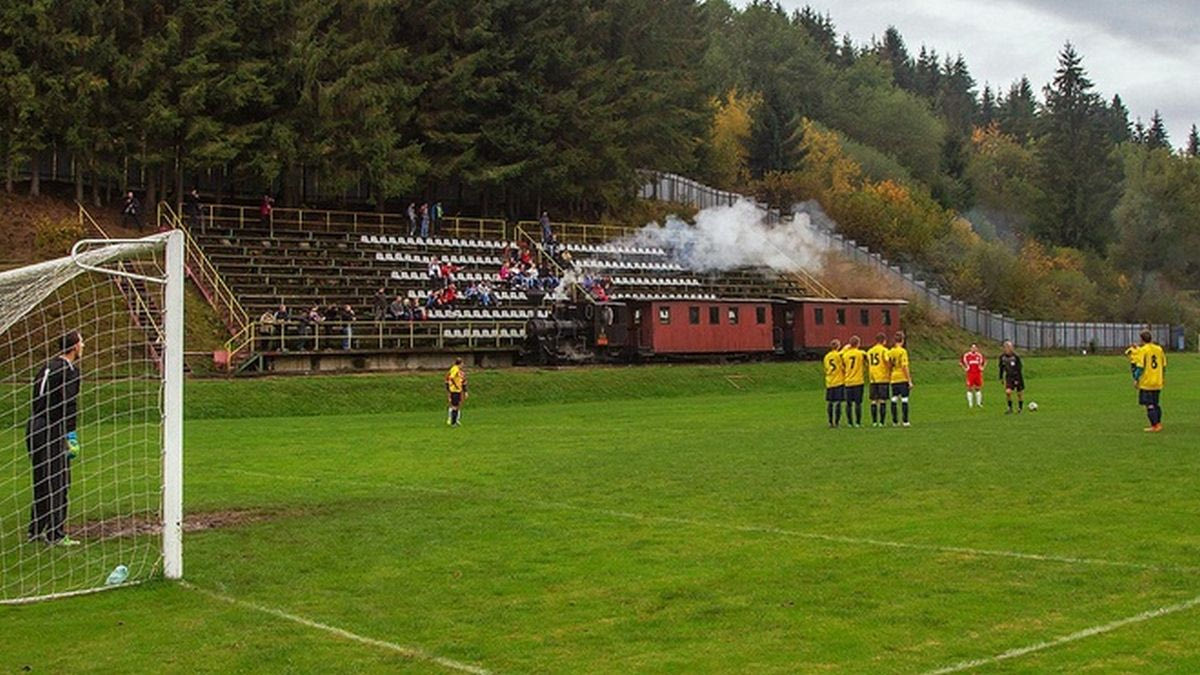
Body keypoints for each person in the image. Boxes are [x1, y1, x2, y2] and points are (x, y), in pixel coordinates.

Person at [28, 331, 85, 546]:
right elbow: (68, 404)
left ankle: (36, 530)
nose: (83, 345)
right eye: (81, 342)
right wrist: (71, 435)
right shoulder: (70, 371)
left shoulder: (47, 366)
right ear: (73, 347)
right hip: (53, 428)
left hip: (34, 426)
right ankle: (56, 534)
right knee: (59, 481)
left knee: (42, 479)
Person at [1134, 330, 1166, 432]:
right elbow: (1164, 365)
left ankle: (1155, 425)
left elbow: (1140, 367)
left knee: (1149, 404)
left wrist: (1136, 378)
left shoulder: (1143, 350)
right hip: (1157, 381)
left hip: (1147, 382)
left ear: (1142, 339)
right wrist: (1162, 377)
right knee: (1156, 403)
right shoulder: (1159, 349)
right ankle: (1158, 423)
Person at [887, 331, 913, 427]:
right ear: (902, 340)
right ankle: (905, 421)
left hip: (894, 378)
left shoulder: (890, 352)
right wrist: (909, 380)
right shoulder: (902, 351)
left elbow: (889, 365)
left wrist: (890, 375)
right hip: (902, 378)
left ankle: (895, 421)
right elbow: (904, 366)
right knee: (904, 400)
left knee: (894, 399)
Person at [841, 336, 867, 428]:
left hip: (848, 381)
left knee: (848, 404)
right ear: (858, 344)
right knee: (858, 403)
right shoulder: (860, 353)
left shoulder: (845, 355)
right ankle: (858, 422)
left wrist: (845, 348)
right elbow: (866, 357)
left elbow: (840, 356)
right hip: (858, 381)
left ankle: (849, 422)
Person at [866, 332, 891, 427]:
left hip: (873, 378)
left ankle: (874, 422)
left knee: (873, 401)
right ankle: (881, 422)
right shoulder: (884, 351)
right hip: (883, 377)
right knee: (882, 400)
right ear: (884, 341)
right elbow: (887, 361)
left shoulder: (870, 351)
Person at [823, 338, 845, 429]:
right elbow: (843, 367)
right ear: (838, 346)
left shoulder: (826, 356)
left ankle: (830, 422)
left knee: (830, 402)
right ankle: (837, 422)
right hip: (839, 381)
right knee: (838, 402)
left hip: (829, 381)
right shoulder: (839, 355)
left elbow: (826, 368)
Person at [998, 340, 1025, 414]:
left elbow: (1019, 368)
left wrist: (1017, 379)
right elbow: (1001, 368)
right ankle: (1010, 408)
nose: (1007, 349)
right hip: (1009, 377)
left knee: (1019, 394)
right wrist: (1001, 377)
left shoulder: (1016, 357)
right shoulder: (1002, 357)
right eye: (1006, 347)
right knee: (1008, 392)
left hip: (1018, 376)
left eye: (1009, 347)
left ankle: (1020, 408)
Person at [961, 343, 986, 408]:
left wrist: (982, 368)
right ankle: (970, 404)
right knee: (969, 388)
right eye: (972, 347)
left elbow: (985, 362)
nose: (974, 349)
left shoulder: (979, 355)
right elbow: (961, 363)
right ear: (970, 348)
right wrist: (965, 369)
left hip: (978, 374)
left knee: (978, 388)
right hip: (970, 374)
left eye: (975, 347)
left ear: (977, 348)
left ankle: (979, 403)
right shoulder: (966, 355)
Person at [445, 357, 468, 426]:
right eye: (462, 363)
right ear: (460, 363)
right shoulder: (455, 369)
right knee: (454, 406)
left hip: (457, 390)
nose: (463, 365)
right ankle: (452, 422)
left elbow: (463, 381)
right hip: (454, 390)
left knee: (457, 406)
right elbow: (451, 378)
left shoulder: (458, 370)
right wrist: (455, 385)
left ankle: (455, 420)